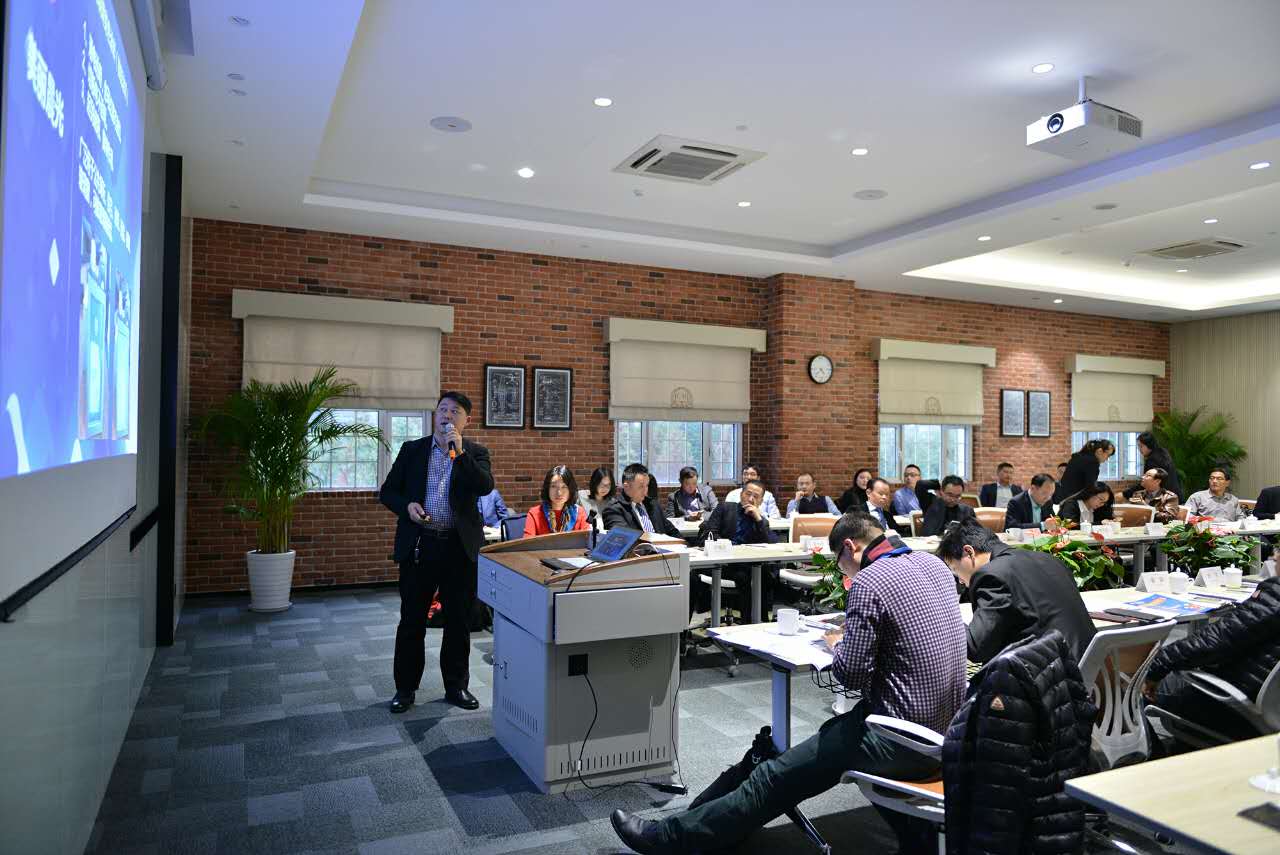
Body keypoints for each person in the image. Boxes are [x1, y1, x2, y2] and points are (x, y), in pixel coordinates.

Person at [610, 512, 966, 854]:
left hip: (897, 739)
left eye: (840, 564)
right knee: (827, 737)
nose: (844, 573)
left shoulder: (870, 581)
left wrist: (839, 643)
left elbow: (850, 674)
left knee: (773, 776)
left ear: (850, 547)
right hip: (948, 733)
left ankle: (667, 839)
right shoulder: (933, 564)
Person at [380, 391, 493, 714]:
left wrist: (460, 454)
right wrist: (407, 507)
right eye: (442, 409)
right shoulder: (413, 450)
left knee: (458, 621)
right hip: (420, 545)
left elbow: (484, 486)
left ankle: (456, 687)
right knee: (412, 620)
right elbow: (388, 492)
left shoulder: (475, 453)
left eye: (455, 411)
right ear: (435, 415)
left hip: (459, 549)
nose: (446, 415)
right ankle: (405, 688)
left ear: (466, 420)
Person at [936, 520, 1096, 663]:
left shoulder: (992, 574)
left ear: (969, 552)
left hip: (1054, 678)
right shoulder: (1050, 560)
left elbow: (975, 648)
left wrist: (945, 612)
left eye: (955, 570)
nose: (960, 581)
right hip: (1093, 669)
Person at [1143, 576, 1280, 742]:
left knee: (1129, 688)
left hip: (1237, 705)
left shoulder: (1276, 594)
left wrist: (1155, 666)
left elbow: (1212, 641)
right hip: (1266, 704)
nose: (1274, 561)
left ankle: (1149, 754)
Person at [698, 480, 779, 618]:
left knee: (765, 575)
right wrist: (731, 547)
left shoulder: (761, 521)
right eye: (748, 494)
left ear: (761, 501)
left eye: (756, 497)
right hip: (723, 563)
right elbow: (709, 533)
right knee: (744, 577)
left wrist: (758, 519)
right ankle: (748, 622)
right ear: (741, 494)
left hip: (747, 565)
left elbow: (769, 545)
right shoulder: (725, 508)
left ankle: (762, 621)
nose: (751, 499)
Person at [603, 463, 682, 537]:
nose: (645, 490)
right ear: (626, 487)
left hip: (663, 547)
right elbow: (624, 538)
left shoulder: (653, 505)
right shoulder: (613, 509)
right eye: (641, 486)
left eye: (646, 485)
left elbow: (673, 532)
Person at [524, 465, 591, 536]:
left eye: (564, 487)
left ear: (570, 490)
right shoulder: (534, 514)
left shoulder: (579, 513)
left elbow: (588, 540)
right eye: (553, 486)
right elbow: (528, 542)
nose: (559, 493)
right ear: (547, 489)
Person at [1054, 439, 1115, 504]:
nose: (1107, 459)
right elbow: (1090, 488)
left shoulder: (1078, 457)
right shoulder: (1092, 463)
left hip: (1064, 498)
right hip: (1072, 501)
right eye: (1108, 455)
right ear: (1099, 451)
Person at [1137, 431, 1183, 501]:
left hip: (1166, 499)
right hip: (1176, 494)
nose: (1139, 449)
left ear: (1149, 445)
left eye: (1141, 446)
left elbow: (1147, 483)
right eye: (1138, 446)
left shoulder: (1152, 460)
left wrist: (1125, 494)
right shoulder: (1163, 452)